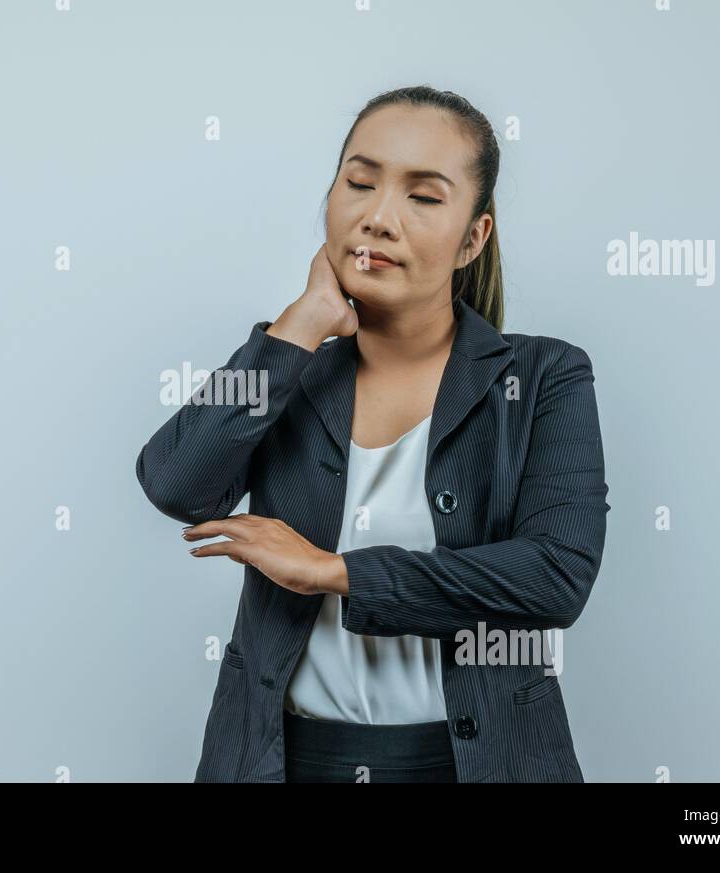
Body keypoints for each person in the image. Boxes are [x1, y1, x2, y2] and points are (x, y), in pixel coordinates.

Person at [136, 85, 610, 782]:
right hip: (281, 761)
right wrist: (301, 322)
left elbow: (554, 577)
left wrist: (336, 571)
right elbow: (177, 484)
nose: (379, 217)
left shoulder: (544, 377)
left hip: (474, 763)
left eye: (423, 197)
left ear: (473, 238)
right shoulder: (285, 367)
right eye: (360, 182)